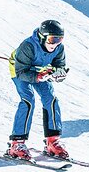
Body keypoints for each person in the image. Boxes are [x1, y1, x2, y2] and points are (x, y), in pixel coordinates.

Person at [6, 20, 71, 160]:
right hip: (21, 70)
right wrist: (37, 76)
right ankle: (17, 143)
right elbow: (21, 72)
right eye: (52, 39)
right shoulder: (28, 46)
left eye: (59, 39)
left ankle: (52, 141)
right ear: (43, 37)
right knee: (28, 100)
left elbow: (59, 64)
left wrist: (58, 73)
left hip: (40, 71)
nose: (55, 43)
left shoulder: (59, 47)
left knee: (51, 99)